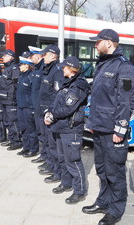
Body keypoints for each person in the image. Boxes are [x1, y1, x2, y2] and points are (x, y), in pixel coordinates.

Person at [82, 29, 134, 225]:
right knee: (103, 170)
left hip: (113, 131)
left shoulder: (124, 67)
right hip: (99, 127)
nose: (95, 45)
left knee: (115, 173)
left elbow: (127, 100)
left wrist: (120, 129)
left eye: (97, 42)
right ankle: (103, 201)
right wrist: (93, 124)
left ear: (109, 42)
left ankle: (116, 209)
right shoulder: (103, 64)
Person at [44, 56, 90, 204]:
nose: (62, 68)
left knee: (73, 160)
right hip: (61, 126)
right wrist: (49, 112)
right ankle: (66, 182)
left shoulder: (79, 85)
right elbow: (56, 102)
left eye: (64, 67)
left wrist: (52, 115)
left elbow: (68, 108)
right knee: (62, 157)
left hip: (71, 129)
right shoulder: (67, 83)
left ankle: (79, 191)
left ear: (71, 69)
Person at [35, 44, 63, 184]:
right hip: (43, 111)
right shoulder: (48, 69)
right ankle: (50, 164)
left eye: (44, 55)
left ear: (52, 55)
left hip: (49, 113)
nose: (42, 57)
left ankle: (55, 170)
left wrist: (51, 113)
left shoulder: (57, 70)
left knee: (52, 144)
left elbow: (57, 94)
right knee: (46, 140)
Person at [16, 52, 40, 158]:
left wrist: (33, 107)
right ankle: (26, 147)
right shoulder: (22, 76)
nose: (19, 67)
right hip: (20, 106)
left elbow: (35, 92)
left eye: (21, 64)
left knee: (31, 129)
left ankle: (33, 149)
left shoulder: (31, 76)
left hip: (28, 107)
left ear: (26, 65)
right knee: (23, 128)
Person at [0, 49, 22, 150]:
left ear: (11, 57)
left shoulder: (14, 68)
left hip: (11, 100)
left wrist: (15, 99)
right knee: (7, 121)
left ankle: (17, 141)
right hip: (4, 99)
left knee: (13, 121)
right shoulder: (7, 68)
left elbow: (17, 85)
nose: (2, 57)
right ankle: (11, 139)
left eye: (4, 56)